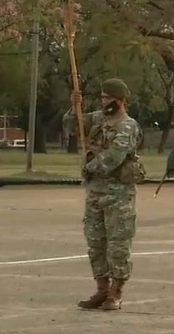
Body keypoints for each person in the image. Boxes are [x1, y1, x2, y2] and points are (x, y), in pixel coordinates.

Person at [65, 79, 145, 311]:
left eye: (108, 98)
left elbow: (115, 156)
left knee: (118, 245)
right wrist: (74, 107)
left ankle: (116, 292)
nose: (103, 102)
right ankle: (101, 289)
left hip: (118, 195)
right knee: (96, 244)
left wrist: (90, 167)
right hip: (95, 193)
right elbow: (72, 126)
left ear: (120, 101)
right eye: (101, 98)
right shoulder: (97, 119)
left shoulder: (128, 126)